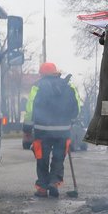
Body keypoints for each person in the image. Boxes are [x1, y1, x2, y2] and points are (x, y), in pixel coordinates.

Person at [25, 61, 80, 198]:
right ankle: (54, 183)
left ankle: (42, 188)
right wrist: (71, 120)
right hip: (63, 130)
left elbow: (30, 108)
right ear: (56, 72)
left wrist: (27, 126)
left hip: (41, 130)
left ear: (42, 74)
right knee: (58, 158)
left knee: (41, 158)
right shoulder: (68, 85)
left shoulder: (37, 87)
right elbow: (77, 106)